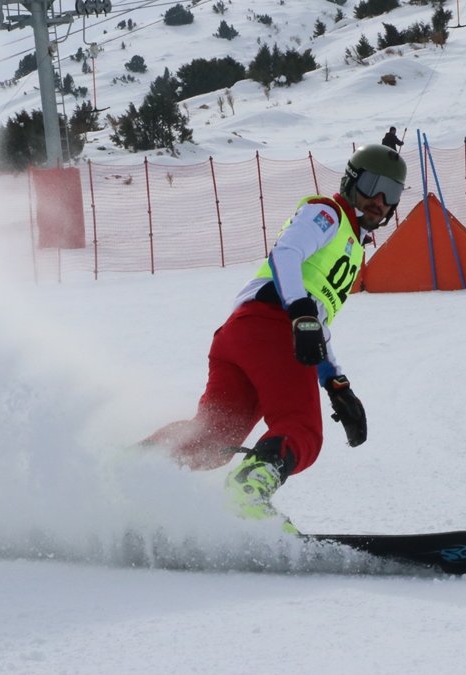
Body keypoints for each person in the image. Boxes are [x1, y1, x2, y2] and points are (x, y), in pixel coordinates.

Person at [143, 145, 408, 532]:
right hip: (271, 326)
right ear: (350, 182)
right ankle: (246, 495)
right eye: (372, 185)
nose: (380, 201)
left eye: (392, 194)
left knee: (215, 439)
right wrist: (299, 314)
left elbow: (317, 318)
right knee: (302, 430)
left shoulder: (352, 247)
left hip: (242, 335)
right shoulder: (326, 214)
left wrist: (336, 384)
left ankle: (129, 471)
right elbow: (286, 253)